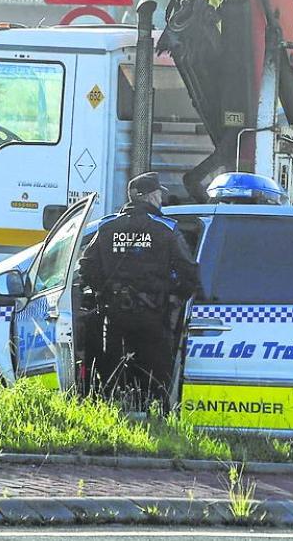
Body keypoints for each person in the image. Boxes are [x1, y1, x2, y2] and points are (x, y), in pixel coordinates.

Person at [77, 172, 199, 411]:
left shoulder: (107, 226)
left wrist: (102, 293)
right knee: (154, 376)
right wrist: (173, 300)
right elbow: (188, 272)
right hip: (153, 316)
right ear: (150, 196)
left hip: (113, 316)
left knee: (115, 371)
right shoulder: (165, 229)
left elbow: (86, 266)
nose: (161, 199)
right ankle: (152, 419)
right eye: (158, 194)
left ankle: (117, 417)